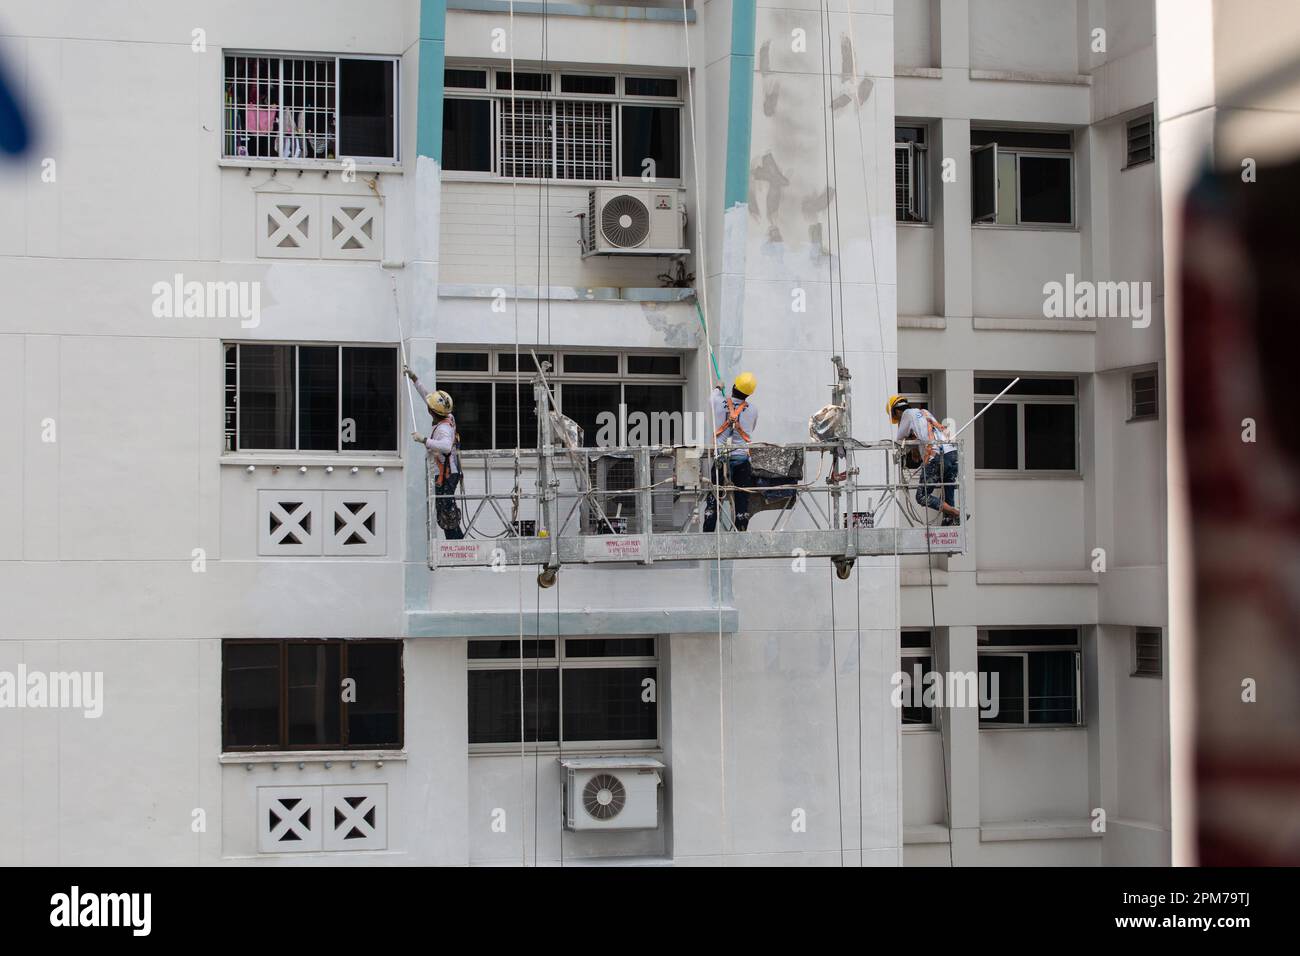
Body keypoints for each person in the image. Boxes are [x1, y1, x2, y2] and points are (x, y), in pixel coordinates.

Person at [405, 366, 464, 539]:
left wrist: (424, 440)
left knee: (446, 508)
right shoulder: (448, 416)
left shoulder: (443, 428)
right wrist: (415, 378)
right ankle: (454, 540)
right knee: (444, 507)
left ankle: (455, 542)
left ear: (432, 412)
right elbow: (427, 396)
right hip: (448, 471)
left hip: (447, 473)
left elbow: (445, 446)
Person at [887, 393, 963, 526]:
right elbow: (924, 433)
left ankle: (956, 513)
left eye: (896, 417)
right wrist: (916, 445)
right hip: (952, 454)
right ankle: (950, 519)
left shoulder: (906, 414)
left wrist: (910, 444)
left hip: (936, 456)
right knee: (947, 491)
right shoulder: (924, 412)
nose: (898, 421)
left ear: (897, 411)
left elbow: (899, 439)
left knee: (922, 496)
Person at [704, 372, 758, 532]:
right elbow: (751, 429)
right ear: (748, 394)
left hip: (721, 458)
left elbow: (712, 395)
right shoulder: (753, 409)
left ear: (734, 386)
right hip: (741, 458)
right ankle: (741, 530)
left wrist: (718, 386)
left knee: (715, 497)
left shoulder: (717, 401)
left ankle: (708, 531)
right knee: (742, 498)